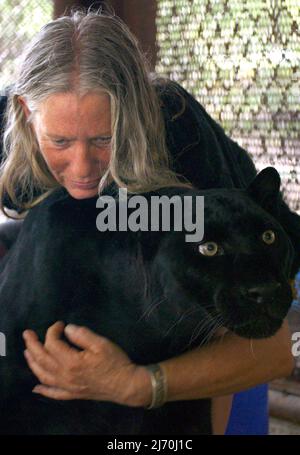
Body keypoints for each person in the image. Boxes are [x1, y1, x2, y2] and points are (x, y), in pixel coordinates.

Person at [0, 10, 298, 435]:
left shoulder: (181, 140)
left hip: (243, 265)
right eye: (60, 141)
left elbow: (272, 353)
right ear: (26, 113)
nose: (82, 168)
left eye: (104, 138)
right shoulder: (9, 123)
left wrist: (138, 385)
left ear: (135, 113)